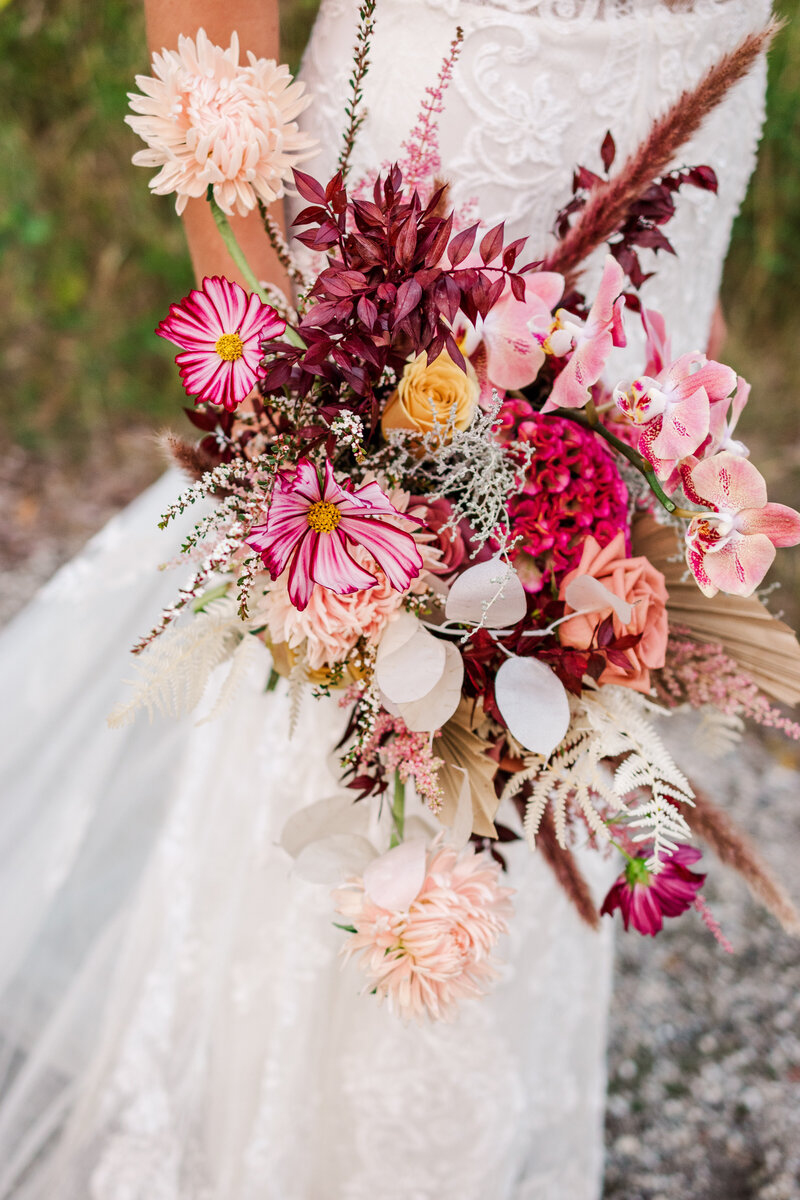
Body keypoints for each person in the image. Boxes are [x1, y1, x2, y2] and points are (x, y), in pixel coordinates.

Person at [0, 0, 772, 1196]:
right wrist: (266, 363)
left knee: (555, 734)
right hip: (426, 239)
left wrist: (684, 320)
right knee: (358, 756)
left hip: (659, 234)